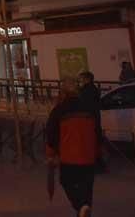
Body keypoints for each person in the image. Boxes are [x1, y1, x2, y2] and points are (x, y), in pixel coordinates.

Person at [46, 78, 99, 217]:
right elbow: (97, 131)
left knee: (67, 182)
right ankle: (85, 208)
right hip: (89, 155)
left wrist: (51, 153)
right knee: (87, 187)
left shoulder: (59, 110)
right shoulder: (89, 107)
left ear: (63, 93)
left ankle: (81, 206)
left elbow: (51, 133)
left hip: (69, 156)